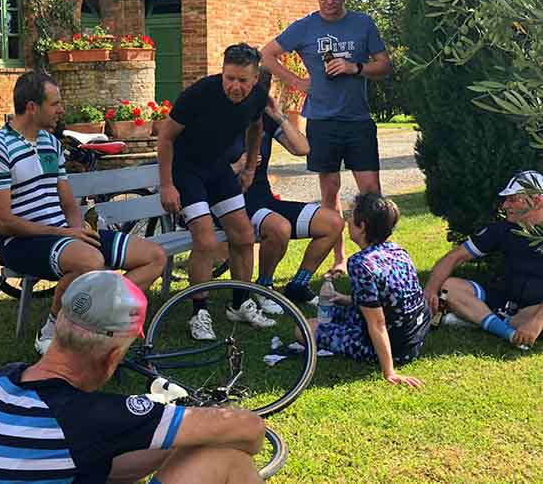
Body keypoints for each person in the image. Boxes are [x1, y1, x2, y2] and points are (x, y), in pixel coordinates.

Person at [0, 270, 266, 484]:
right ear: (112, 357)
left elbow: (95, 460)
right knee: (225, 457)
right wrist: (206, 427)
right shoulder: (85, 417)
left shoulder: (1, 382)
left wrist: (178, 443)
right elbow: (251, 430)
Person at [0, 72, 166, 355]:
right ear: (32, 107)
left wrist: (79, 231)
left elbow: (67, 202)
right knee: (90, 261)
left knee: (154, 257)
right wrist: (67, 234)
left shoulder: (50, 144)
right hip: (21, 243)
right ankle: (53, 329)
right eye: (54, 104)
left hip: (63, 236)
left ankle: (98, 316)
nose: (61, 110)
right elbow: (4, 224)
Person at [261, 0, 393, 276]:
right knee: (330, 190)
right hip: (321, 121)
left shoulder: (363, 24)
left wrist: (354, 67)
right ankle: (340, 260)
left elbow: (385, 65)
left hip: (358, 120)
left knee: (371, 191)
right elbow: (267, 55)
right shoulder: (305, 27)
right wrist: (297, 82)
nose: (330, 2)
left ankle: (379, 260)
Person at [155, 42, 276, 341]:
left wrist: (249, 167)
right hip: (187, 171)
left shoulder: (258, 96)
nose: (234, 86)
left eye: (242, 80)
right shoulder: (199, 94)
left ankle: (239, 303)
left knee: (244, 235)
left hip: (218, 169)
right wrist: (167, 184)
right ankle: (199, 312)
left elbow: (256, 128)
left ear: (255, 78)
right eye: (229, 78)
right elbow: (165, 138)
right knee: (206, 240)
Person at [224, 67, 344, 310]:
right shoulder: (222, 118)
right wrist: (236, 166)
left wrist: (278, 116)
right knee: (279, 227)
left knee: (333, 222)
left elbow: (302, 148)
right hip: (233, 202)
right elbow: (201, 165)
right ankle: (264, 288)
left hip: (264, 199)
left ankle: (298, 285)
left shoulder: (265, 119)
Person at [299, 194, 429, 388]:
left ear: (363, 226)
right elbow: (390, 299)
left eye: (351, 216)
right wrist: (345, 299)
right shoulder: (397, 250)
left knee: (304, 329)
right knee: (325, 316)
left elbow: (377, 323)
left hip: (395, 347)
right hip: (414, 337)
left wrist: (389, 372)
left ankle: (384, 361)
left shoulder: (361, 263)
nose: (347, 220)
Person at [423, 170, 543, 348]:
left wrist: (537, 321)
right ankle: (508, 332)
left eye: (512, 199)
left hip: (535, 310)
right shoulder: (503, 229)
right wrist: (430, 291)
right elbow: (454, 257)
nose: (504, 206)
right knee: (448, 288)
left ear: (537, 201)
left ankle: (475, 318)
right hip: (502, 302)